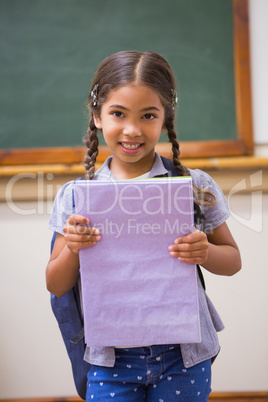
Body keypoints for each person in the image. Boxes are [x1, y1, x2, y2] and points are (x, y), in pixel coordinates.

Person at [46, 51, 241, 401]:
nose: (132, 130)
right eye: (118, 113)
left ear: (165, 119)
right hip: (111, 360)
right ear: (97, 116)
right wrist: (74, 248)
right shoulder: (77, 195)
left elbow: (232, 261)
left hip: (183, 357)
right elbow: (55, 283)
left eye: (148, 115)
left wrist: (205, 251)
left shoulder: (193, 185)